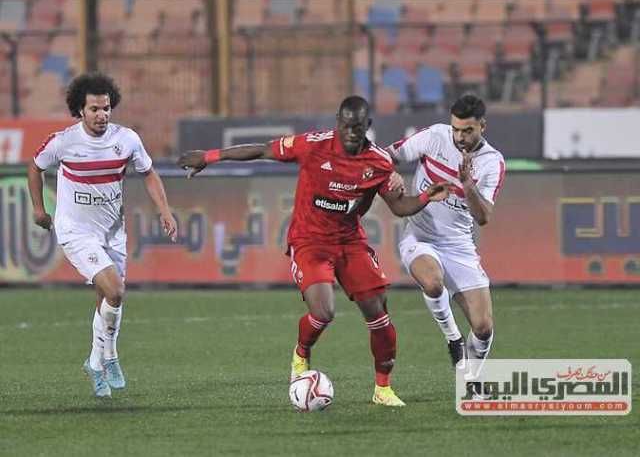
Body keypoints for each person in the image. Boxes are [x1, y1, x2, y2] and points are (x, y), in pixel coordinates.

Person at [178, 95, 451, 407]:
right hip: (309, 241)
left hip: (350, 242)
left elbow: (400, 206)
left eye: (358, 127)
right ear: (337, 123)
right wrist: (210, 157)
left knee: (379, 316)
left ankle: (382, 389)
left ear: (367, 127)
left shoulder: (378, 162)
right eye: (346, 126)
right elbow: (263, 150)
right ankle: (301, 353)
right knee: (323, 312)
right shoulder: (312, 144)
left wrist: (426, 196)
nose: (351, 132)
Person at [28, 72, 178, 398]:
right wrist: (39, 209)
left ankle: (94, 363)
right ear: (80, 110)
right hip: (77, 231)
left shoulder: (126, 139)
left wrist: (165, 211)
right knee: (116, 289)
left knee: (107, 298)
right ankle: (110, 356)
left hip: (112, 232)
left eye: (106, 108)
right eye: (94, 109)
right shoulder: (64, 142)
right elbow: (35, 166)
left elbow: (149, 173)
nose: (102, 115)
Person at [387, 94, 505, 379]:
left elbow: (483, 217)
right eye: (456, 129)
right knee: (433, 280)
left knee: (484, 327)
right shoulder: (435, 137)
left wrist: (466, 184)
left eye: (468, 130)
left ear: (483, 127)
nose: (460, 136)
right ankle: (453, 339)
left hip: (459, 245)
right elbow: (386, 155)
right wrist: (393, 174)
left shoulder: (492, 162)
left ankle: (471, 381)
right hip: (420, 236)